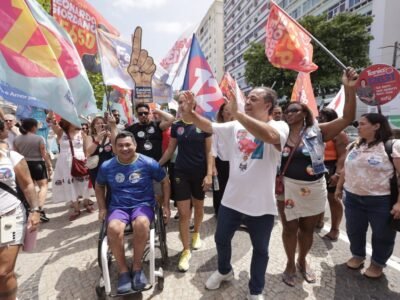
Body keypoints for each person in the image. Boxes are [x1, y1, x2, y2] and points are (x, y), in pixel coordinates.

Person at [180, 86, 289, 300]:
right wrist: (191, 112)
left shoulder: (279, 124)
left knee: (261, 249)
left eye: (253, 99)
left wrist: (238, 113)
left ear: (268, 105)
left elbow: (270, 136)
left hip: (261, 203)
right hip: (232, 198)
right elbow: (209, 126)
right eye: (247, 98)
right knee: (221, 239)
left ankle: (256, 289)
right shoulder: (236, 125)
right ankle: (224, 270)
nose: (247, 101)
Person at [277, 68, 357, 287]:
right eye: (286, 111)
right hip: (287, 188)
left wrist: (350, 90)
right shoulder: (279, 133)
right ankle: (290, 264)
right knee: (289, 229)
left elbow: (348, 117)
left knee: (307, 229)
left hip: (314, 188)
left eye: (293, 110)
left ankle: (302, 261)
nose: (288, 113)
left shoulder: (318, 131)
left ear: (304, 113)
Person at [95, 131, 170, 294]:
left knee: (142, 224)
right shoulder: (107, 166)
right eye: (120, 145)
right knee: (113, 228)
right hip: (118, 207)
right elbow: (99, 186)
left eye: (128, 144)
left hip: (142, 204)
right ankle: (123, 271)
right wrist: (102, 207)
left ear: (135, 145)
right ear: (114, 148)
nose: (125, 148)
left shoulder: (148, 162)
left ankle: (137, 268)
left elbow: (165, 181)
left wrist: (166, 206)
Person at [335, 113, 400, 278]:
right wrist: (339, 187)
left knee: (382, 234)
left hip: (381, 200)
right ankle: (358, 255)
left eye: (363, 124)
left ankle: (378, 263)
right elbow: (346, 168)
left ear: (376, 126)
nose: (358, 126)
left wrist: (399, 203)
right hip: (352, 198)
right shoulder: (355, 145)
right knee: (354, 230)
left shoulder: (393, 146)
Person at [159, 94, 212, 272]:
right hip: (180, 171)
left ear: (194, 104)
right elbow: (170, 149)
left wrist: (209, 174)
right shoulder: (177, 126)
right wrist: (155, 166)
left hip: (199, 172)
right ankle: (185, 250)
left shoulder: (204, 124)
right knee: (183, 214)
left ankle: (196, 232)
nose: (182, 105)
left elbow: (209, 152)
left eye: (186, 101)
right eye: (180, 102)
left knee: (198, 206)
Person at [0, 119, 40, 300]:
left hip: (9, 216)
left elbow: (28, 186)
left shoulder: (12, 157)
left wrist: (35, 210)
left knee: (3, 272)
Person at [47, 113, 92, 220]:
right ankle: (76, 208)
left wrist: (86, 159)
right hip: (65, 162)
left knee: (84, 182)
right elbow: (52, 121)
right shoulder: (61, 132)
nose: (76, 121)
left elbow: (85, 148)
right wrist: (51, 109)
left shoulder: (81, 133)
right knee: (70, 184)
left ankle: (86, 203)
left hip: (80, 159)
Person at [315, 108, 348, 241]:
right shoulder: (316, 131)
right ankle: (319, 220)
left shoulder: (339, 133)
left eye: (322, 117)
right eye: (319, 117)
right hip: (317, 167)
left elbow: (343, 155)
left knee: (333, 199)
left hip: (331, 167)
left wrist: (338, 173)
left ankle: (335, 229)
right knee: (318, 196)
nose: (319, 119)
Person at [14, 118, 53, 223]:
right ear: (33, 127)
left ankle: (33, 210)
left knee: (29, 187)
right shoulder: (39, 138)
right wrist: (49, 166)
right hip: (37, 164)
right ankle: (39, 210)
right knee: (44, 186)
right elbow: (44, 154)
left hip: (24, 165)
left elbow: (16, 154)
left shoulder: (17, 139)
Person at [212, 101, 234, 216]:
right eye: (226, 110)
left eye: (231, 109)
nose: (229, 112)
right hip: (220, 162)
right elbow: (213, 148)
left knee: (233, 189)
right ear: (222, 113)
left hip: (235, 163)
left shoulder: (238, 127)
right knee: (219, 189)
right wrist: (213, 166)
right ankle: (219, 212)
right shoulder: (217, 127)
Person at [85, 116, 113, 188]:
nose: (100, 125)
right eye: (98, 123)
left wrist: (112, 138)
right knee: (99, 191)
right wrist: (97, 140)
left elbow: (117, 151)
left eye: (102, 123)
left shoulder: (110, 136)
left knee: (111, 191)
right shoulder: (90, 137)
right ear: (94, 126)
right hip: (96, 169)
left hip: (110, 168)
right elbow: (89, 152)